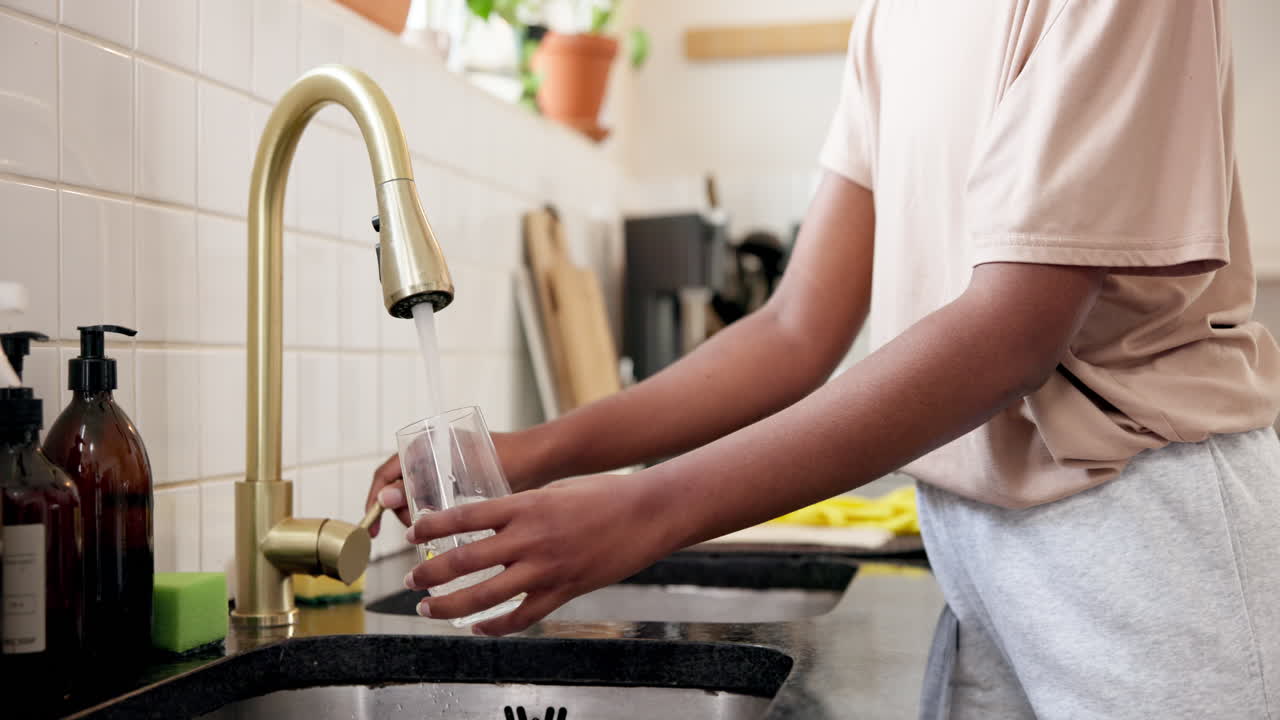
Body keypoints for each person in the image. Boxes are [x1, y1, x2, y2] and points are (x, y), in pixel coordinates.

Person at [368, 2, 1280, 716]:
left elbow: (1010, 336)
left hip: (1145, 535)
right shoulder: (895, 16)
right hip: (977, 537)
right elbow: (796, 329)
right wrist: (542, 450)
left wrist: (644, 510)